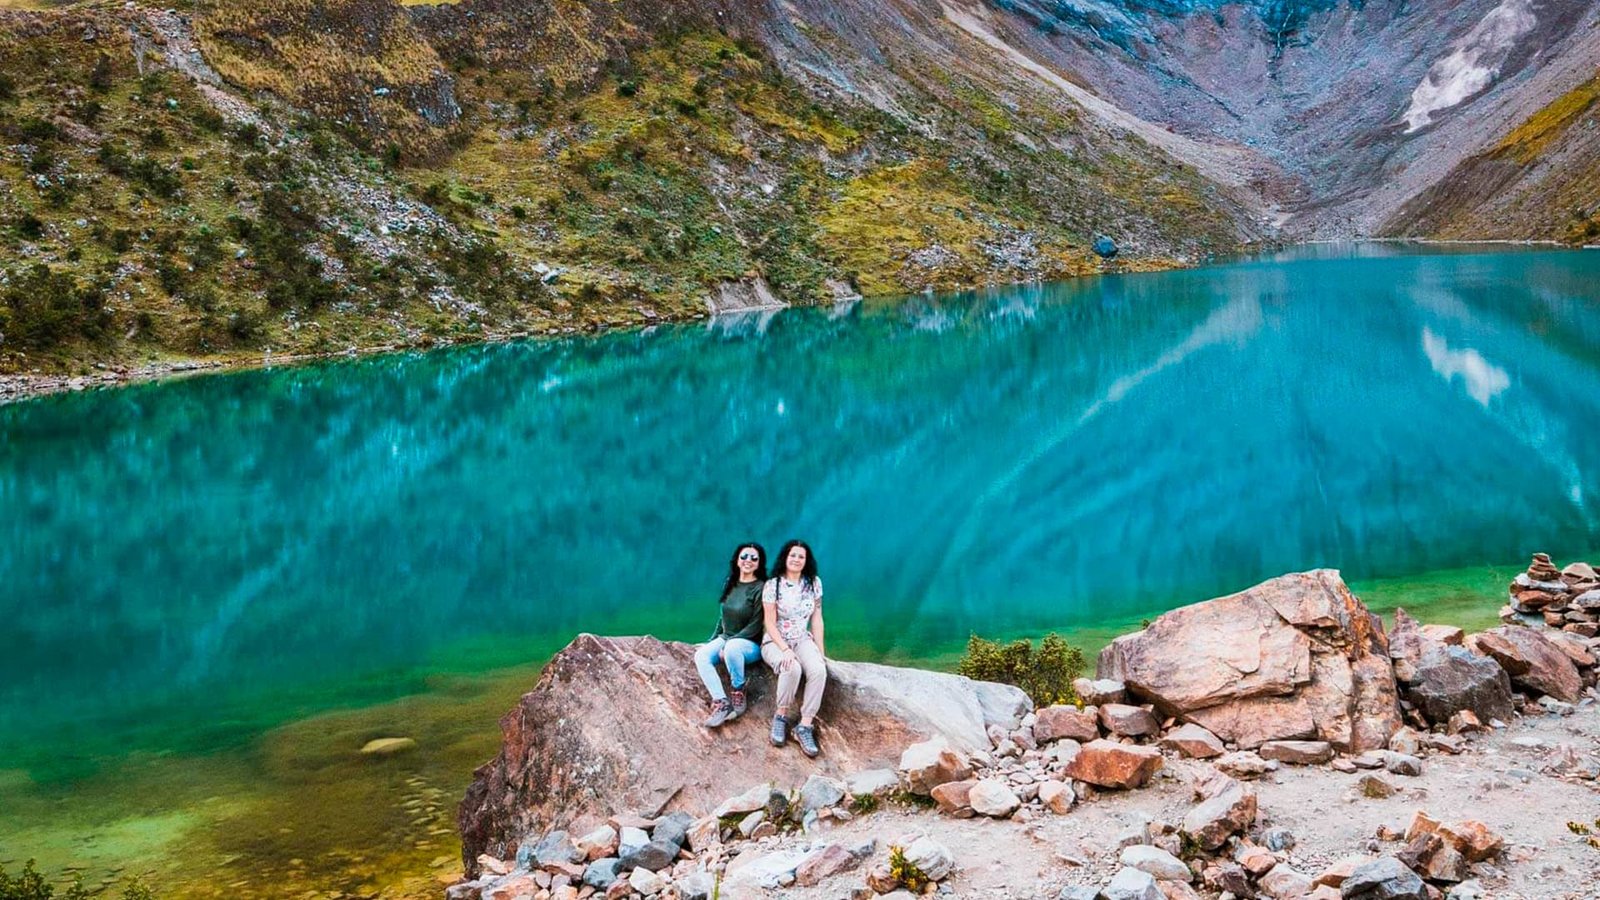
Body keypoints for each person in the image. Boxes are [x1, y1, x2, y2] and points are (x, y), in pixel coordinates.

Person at [760, 539, 827, 757]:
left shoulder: (813, 583)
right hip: (775, 641)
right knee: (792, 668)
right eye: (793, 555)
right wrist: (785, 649)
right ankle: (781, 717)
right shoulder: (773, 585)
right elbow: (769, 623)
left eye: (801, 556)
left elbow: (817, 619)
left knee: (818, 670)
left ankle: (804, 726)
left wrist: (821, 651)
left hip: (802, 639)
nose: (796, 559)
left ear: (806, 561)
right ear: (785, 558)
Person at [694, 542, 768, 728]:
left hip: (750, 644)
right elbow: (723, 618)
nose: (748, 561)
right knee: (701, 656)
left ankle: (738, 690)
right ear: (737, 560)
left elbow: (756, 625)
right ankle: (722, 702)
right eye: (744, 556)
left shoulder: (761, 588)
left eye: (754, 558)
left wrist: (729, 644)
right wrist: (711, 641)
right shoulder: (730, 583)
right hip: (727, 638)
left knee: (733, 649)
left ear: (759, 563)